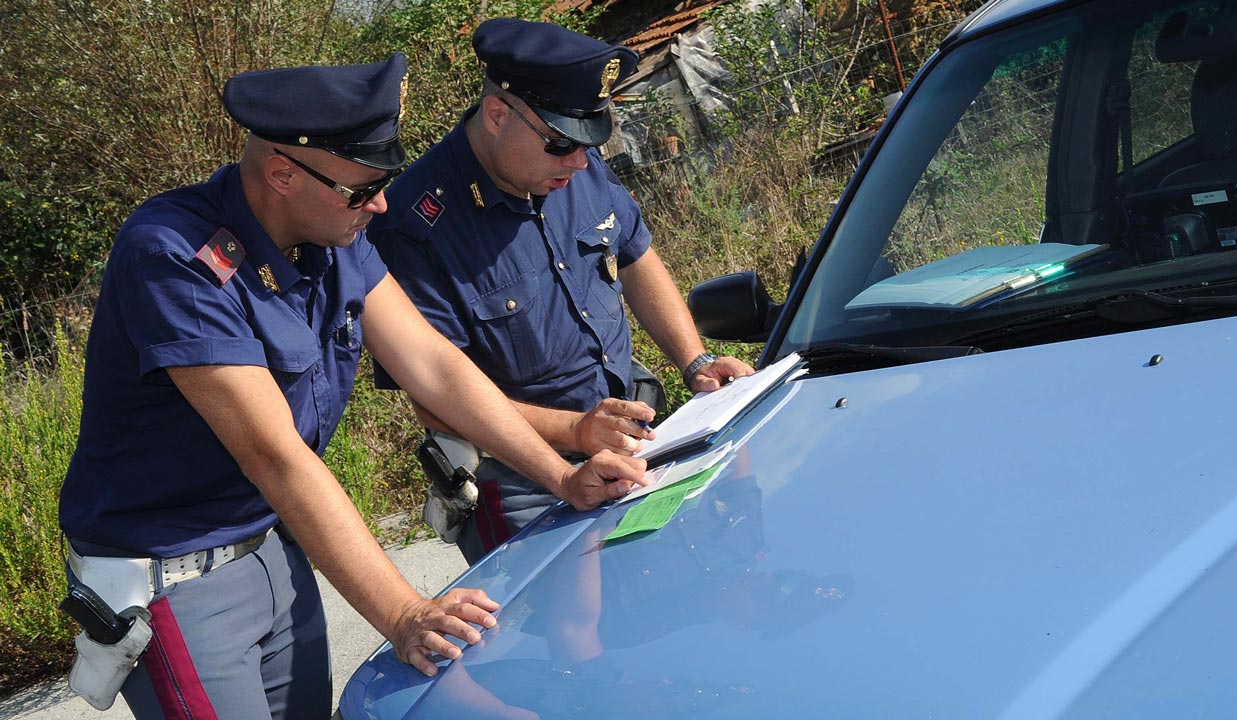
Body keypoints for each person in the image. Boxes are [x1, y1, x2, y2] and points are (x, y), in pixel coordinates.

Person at [57, 53, 647, 719]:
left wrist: (561, 476)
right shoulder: (173, 258)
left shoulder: (334, 230)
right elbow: (275, 457)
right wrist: (404, 613)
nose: (383, 202)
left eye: (383, 182)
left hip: (270, 542)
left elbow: (434, 365)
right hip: (177, 577)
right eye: (363, 189)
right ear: (282, 173)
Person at [367, 19, 754, 564]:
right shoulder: (414, 224)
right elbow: (437, 401)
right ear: (498, 115)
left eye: (589, 140)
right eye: (562, 144)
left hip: (634, 444)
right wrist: (574, 430)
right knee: (567, 644)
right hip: (526, 481)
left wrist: (696, 361)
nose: (579, 160)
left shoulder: (574, 164)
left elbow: (636, 254)